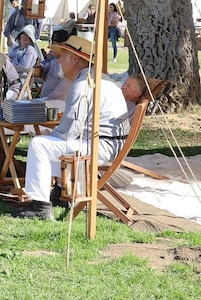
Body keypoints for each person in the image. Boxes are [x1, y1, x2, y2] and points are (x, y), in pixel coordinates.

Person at [11, 36, 130, 220]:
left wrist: (50, 135)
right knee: (48, 141)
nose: (58, 60)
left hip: (100, 147)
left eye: (62, 55)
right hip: (106, 145)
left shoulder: (84, 84)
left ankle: (40, 206)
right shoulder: (95, 78)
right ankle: (58, 193)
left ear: (75, 59)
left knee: (39, 144)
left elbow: (69, 130)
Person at [39, 29, 72, 101]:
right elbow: (44, 70)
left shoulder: (68, 65)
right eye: (53, 43)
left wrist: (45, 100)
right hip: (46, 100)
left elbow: (60, 93)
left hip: (56, 104)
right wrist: (40, 68)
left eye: (58, 44)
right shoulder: (53, 60)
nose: (54, 47)